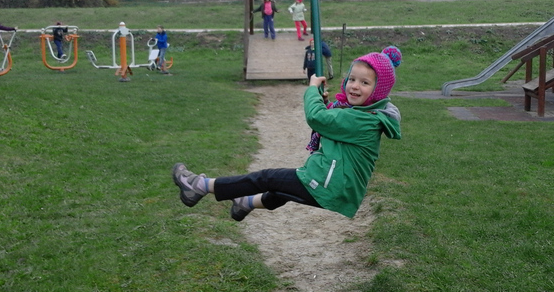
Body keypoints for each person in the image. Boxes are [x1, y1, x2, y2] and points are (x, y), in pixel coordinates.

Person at [172, 45, 402, 221]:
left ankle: (199, 186)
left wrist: (312, 89)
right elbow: (333, 125)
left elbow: (317, 118)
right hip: (337, 186)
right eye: (351, 79)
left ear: (378, 91)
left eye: (364, 83)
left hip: (330, 184)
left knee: (267, 178)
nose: (354, 86)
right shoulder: (361, 114)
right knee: (281, 189)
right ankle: (245, 203)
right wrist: (325, 103)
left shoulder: (364, 120)